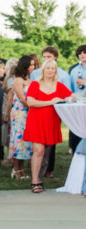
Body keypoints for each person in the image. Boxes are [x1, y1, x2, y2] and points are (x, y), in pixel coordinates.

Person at [24, 59, 73, 193]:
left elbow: (72, 97)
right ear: (43, 70)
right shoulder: (35, 84)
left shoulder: (59, 86)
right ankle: (35, 180)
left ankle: (40, 178)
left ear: (55, 71)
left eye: (53, 68)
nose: (50, 70)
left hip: (51, 122)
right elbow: (31, 102)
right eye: (48, 68)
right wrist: (51, 101)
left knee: (46, 153)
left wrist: (69, 99)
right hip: (36, 121)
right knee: (38, 151)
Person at [6, 55, 33, 179]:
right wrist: (35, 106)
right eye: (31, 65)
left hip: (28, 112)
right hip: (20, 112)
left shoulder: (29, 79)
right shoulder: (17, 80)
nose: (33, 67)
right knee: (18, 140)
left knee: (26, 141)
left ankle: (22, 168)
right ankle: (16, 169)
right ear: (25, 66)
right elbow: (22, 98)